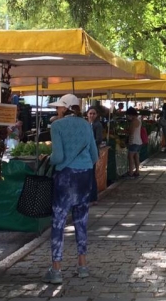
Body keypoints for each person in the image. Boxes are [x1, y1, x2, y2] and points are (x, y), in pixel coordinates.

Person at [43, 93, 99, 285]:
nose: (57, 110)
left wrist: (48, 160)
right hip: (84, 176)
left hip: (65, 178)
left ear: (65, 108)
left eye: (59, 107)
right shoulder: (86, 124)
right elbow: (94, 155)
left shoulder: (57, 126)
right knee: (81, 220)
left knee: (58, 221)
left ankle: (56, 269)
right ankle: (82, 265)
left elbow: (58, 156)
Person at [126, 107, 142, 178]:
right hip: (138, 141)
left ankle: (131, 172)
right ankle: (137, 171)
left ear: (131, 115)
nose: (128, 117)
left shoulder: (133, 121)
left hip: (133, 141)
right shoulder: (139, 120)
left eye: (128, 115)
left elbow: (131, 132)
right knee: (136, 157)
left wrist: (126, 131)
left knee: (130, 157)